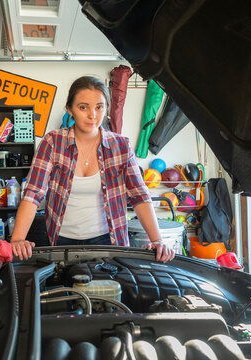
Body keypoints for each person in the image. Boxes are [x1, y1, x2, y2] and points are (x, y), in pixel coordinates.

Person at [10, 76, 175, 263]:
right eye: (83, 107)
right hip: (61, 239)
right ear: (70, 109)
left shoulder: (121, 146)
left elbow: (140, 195)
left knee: (108, 292)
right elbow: (33, 192)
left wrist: (157, 240)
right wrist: (17, 239)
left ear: (106, 109)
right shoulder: (53, 142)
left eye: (99, 107)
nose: (92, 115)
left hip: (108, 240)